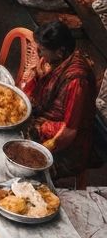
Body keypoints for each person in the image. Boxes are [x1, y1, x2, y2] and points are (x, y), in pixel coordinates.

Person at [23, 21, 97, 181]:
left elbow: (69, 131)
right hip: (43, 121)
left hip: (67, 145)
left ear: (60, 52)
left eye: (42, 50)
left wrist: (41, 150)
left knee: (24, 171)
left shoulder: (76, 81)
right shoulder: (53, 63)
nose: (39, 54)